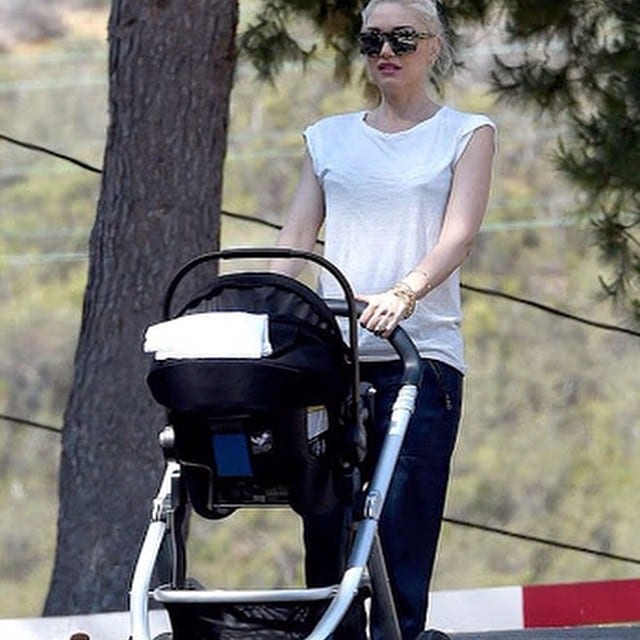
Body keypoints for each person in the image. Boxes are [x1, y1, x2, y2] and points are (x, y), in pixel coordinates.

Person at [273, 1, 496, 638]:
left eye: (402, 38)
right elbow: (296, 238)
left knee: (402, 526)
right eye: (373, 40)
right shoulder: (327, 138)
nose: (386, 52)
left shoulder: (465, 133)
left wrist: (406, 291)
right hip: (333, 357)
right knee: (328, 526)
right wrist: (256, 309)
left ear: (433, 46)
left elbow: (458, 236)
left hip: (417, 354)